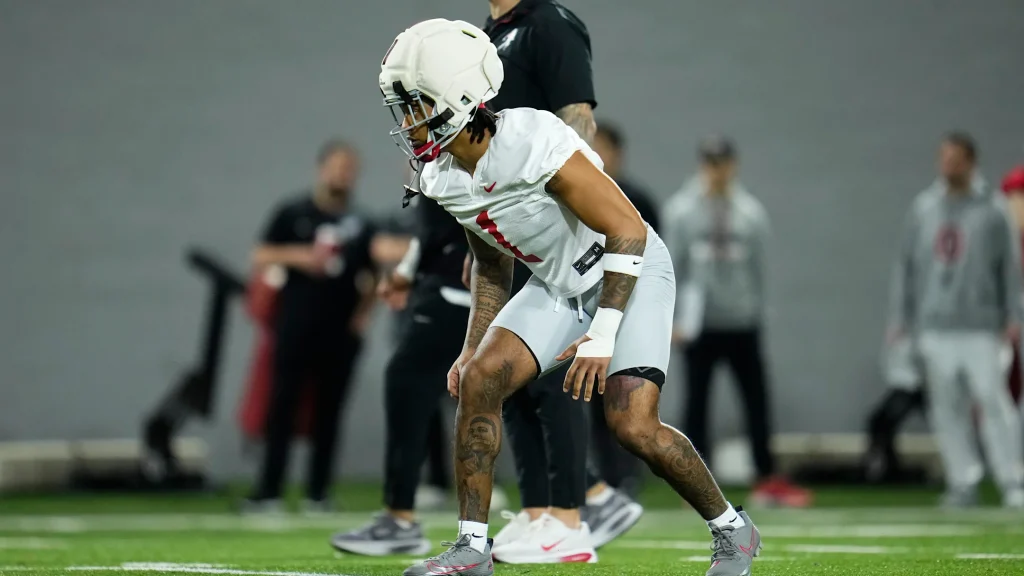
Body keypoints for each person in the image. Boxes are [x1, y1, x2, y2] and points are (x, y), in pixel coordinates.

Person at [379, 19, 761, 576]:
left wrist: (601, 335)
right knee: (480, 379)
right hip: (559, 284)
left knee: (632, 426)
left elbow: (627, 230)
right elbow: (490, 259)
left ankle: (733, 530)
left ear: (460, 100)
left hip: (628, 269)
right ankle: (471, 549)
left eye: (417, 103)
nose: (408, 121)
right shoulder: (443, 176)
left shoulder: (532, 140)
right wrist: (472, 343)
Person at [478, 0, 643, 561]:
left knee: (550, 377)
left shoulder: (549, 22)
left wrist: (559, 209)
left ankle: (574, 516)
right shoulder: (490, 32)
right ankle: (538, 511)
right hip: (517, 224)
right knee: (512, 379)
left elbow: (579, 118)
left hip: (557, 227)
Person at [331, 192, 510, 555]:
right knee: (526, 399)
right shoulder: (440, 166)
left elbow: (473, 226)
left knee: (408, 380)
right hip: (453, 288)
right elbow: (431, 233)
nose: (410, 133)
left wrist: (408, 271)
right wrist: (405, 273)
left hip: (459, 292)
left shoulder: (461, 161)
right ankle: (572, 505)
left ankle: (400, 517)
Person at [661, 137, 811, 507]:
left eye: (723, 163)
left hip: (742, 323)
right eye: (711, 163)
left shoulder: (750, 213)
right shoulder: (681, 211)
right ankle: (694, 482)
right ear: (702, 165)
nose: (717, 171)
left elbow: (761, 270)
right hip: (700, 325)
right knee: (697, 403)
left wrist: (759, 313)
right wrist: (674, 319)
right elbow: (671, 266)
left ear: (733, 165)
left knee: (757, 401)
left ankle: (766, 478)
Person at [888, 132, 1024, 508]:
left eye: (955, 159)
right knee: (946, 410)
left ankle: (1012, 480)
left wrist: (1012, 315)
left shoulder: (993, 209)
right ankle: (963, 481)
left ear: (970, 161)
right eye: (943, 158)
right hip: (935, 325)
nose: (948, 166)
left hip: (981, 325)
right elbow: (908, 268)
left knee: (994, 403)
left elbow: (1009, 268)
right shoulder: (924, 208)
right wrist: (902, 320)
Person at [245, 140, 377, 511]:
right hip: (294, 327)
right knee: (281, 408)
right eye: (337, 166)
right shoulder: (293, 213)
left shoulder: (361, 223)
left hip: (339, 334)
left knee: (329, 414)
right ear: (321, 169)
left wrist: (362, 317)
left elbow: (373, 277)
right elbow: (260, 254)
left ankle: (318, 492)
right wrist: (299, 256)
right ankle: (269, 491)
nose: (342, 175)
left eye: (349, 168)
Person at [587, 121, 659, 495]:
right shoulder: (579, 191)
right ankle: (602, 481)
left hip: (627, 312)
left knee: (626, 397)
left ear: (618, 153)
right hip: (589, 310)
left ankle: (627, 476)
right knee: (589, 400)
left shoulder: (638, 199)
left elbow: (654, 259)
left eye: (603, 147)